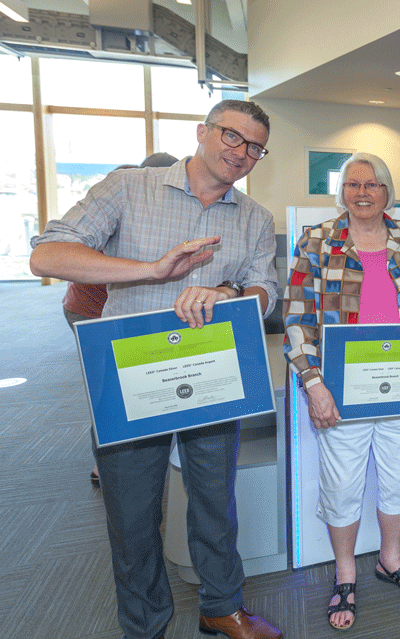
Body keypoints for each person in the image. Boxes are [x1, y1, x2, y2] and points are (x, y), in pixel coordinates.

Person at [30, 100, 282, 639]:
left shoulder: (256, 219)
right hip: (132, 371)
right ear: (202, 131)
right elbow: (47, 255)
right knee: (133, 512)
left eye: (254, 147)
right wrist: (151, 270)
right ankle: (145, 626)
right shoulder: (129, 188)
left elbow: (267, 291)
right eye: (232, 137)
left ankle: (222, 605)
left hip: (215, 371)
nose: (241, 153)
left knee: (216, 499)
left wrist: (229, 291)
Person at [283, 152, 400, 631]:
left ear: (387, 192)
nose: (362, 193)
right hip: (342, 392)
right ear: (342, 192)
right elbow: (296, 319)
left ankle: (390, 558)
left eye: (372, 184)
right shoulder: (318, 241)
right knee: (342, 484)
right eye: (352, 184)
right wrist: (313, 385)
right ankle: (345, 572)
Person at [62, 154, 179, 487]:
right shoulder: (123, 187)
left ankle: (140, 451)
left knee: (140, 381)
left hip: (124, 308)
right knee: (110, 386)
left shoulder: (159, 196)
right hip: (91, 308)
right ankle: (107, 463)